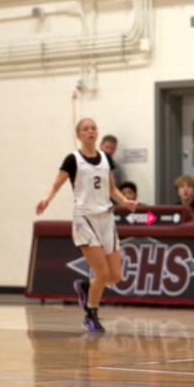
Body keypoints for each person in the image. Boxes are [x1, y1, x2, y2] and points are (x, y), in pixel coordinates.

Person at [36, 118, 137, 332]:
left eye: (94, 128)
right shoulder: (72, 160)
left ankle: (85, 286)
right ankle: (90, 315)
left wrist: (124, 201)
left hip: (106, 218)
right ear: (79, 135)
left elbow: (111, 189)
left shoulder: (105, 159)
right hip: (85, 219)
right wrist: (46, 200)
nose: (91, 131)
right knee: (101, 274)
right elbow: (55, 185)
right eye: (86, 129)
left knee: (115, 276)